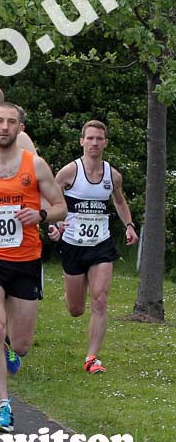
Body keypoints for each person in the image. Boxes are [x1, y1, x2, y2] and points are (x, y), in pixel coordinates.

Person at [0, 102, 66, 432]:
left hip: (25, 260)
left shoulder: (34, 165)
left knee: (19, 345)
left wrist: (41, 215)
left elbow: (61, 206)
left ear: (20, 128)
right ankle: (3, 407)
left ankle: (6, 350)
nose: (4, 127)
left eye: (11, 122)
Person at [48, 120, 138, 374]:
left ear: (105, 143)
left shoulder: (113, 175)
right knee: (76, 309)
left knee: (100, 300)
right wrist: (55, 226)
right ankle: (72, 289)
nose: (95, 143)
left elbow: (119, 202)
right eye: (90, 138)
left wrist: (129, 225)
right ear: (82, 142)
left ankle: (92, 358)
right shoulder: (69, 172)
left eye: (99, 139)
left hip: (101, 244)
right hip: (74, 245)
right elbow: (52, 200)